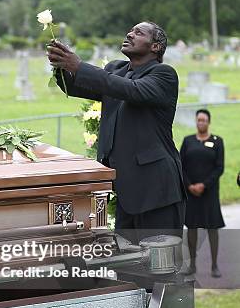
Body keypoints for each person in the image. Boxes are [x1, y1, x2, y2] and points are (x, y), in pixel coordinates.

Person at [47, 21, 185, 244]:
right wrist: (61, 65)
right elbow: (77, 86)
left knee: (160, 266)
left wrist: (79, 65)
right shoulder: (115, 69)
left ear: (155, 47)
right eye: (130, 30)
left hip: (157, 191)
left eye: (138, 33)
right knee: (128, 267)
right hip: (126, 191)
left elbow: (130, 90)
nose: (129, 34)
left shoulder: (164, 75)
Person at [180, 109, 225, 277]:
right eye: (198, 120)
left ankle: (214, 265)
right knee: (191, 228)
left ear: (209, 122)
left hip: (209, 193)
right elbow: (180, 165)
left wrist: (204, 185)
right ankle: (192, 265)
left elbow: (219, 167)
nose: (201, 123)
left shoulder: (217, 142)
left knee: (212, 228)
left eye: (204, 120)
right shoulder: (188, 141)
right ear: (196, 121)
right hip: (191, 193)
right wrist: (190, 185)